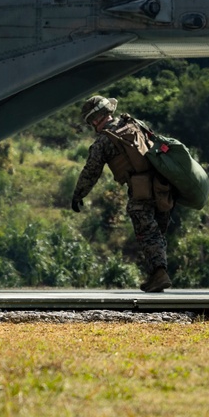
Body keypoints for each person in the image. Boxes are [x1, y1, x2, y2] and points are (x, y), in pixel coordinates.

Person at [70, 95, 173, 292]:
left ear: (95, 119)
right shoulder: (132, 123)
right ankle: (156, 274)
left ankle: (159, 274)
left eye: (91, 121)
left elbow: (91, 171)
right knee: (157, 233)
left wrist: (78, 195)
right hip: (163, 185)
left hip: (141, 190)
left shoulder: (103, 141)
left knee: (147, 233)